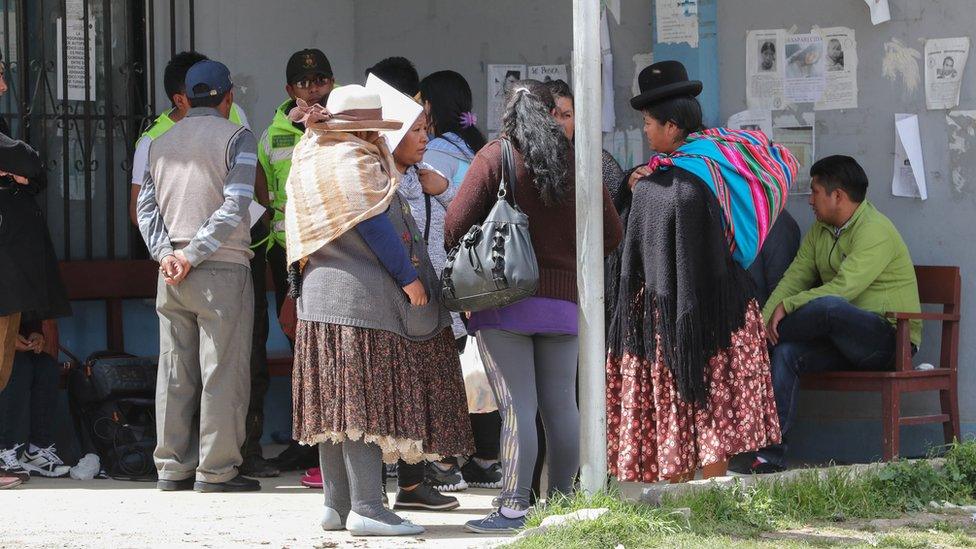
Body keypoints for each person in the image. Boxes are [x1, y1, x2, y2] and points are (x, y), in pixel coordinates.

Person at [285, 85, 472, 536]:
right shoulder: (354, 160)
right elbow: (374, 224)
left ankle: (337, 503)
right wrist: (409, 279)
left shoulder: (310, 156)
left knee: (333, 404)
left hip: (317, 300)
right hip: (359, 303)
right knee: (360, 406)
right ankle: (368, 507)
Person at [445, 79, 623, 533]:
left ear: (508, 115)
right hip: (565, 305)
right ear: (550, 113)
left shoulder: (497, 156)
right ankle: (561, 508)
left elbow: (454, 224)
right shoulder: (578, 162)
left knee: (517, 406)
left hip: (504, 302)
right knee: (562, 406)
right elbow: (612, 235)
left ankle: (512, 509)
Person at [606, 61, 794, 485]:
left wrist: (638, 193)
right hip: (728, 305)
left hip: (681, 312)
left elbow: (643, 255)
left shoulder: (667, 183)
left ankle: (679, 493)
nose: (646, 133)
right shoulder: (730, 157)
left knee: (683, 401)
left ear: (673, 126)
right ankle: (711, 493)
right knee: (715, 408)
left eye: (649, 124)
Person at [747, 155, 922, 473]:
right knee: (786, 352)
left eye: (814, 192)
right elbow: (794, 278)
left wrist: (789, 307)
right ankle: (769, 457)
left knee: (830, 307)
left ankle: (756, 346)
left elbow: (843, 289)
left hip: (888, 341)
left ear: (837, 195)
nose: (809, 200)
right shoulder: (820, 231)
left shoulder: (875, 230)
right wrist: (761, 324)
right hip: (841, 340)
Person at [137, 59, 259, 493]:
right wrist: (194, 253)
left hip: (170, 272)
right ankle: (217, 470)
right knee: (222, 371)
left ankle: (171, 467)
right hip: (220, 266)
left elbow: (145, 208)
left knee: (173, 371)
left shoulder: (160, 142)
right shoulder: (238, 136)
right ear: (227, 97)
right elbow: (237, 202)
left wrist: (166, 254)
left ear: (186, 98)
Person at [365, 57, 467, 506]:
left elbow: (462, 219)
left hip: (428, 302)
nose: (426, 138)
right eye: (417, 132)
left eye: (426, 129)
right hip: (396, 301)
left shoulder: (427, 178)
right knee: (394, 397)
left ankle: (412, 482)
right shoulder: (381, 181)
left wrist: (442, 189)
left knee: (421, 396)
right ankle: (386, 487)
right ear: (391, 138)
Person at [418, 69, 503, 491]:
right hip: (479, 275)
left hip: (444, 275)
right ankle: (487, 458)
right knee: (478, 367)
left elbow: (435, 225)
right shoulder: (478, 147)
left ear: (430, 108)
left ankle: (447, 462)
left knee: (446, 372)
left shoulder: (432, 153)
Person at [257, 48, 337, 476]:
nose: (314, 88)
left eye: (321, 79)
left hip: (331, 251)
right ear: (289, 90)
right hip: (285, 255)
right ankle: (305, 439)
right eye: (304, 83)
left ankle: (328, 441)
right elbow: (262, 200)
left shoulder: (346, 124)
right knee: (298, 348)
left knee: (330, 350)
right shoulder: (272, 136)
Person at [0, 54, 72, 481]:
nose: (5, 87)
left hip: (15, 271)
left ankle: (23, 449)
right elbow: (29, 162)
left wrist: (19, 173)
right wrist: (19, 170)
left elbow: (37, 177)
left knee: (17, 355)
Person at [128, 51, 250, 227]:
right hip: (181, 243)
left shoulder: (233, 111)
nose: (210, 98)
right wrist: (165, 248)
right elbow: (138, 209)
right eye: (199, 92)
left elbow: (253, 168)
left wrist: (264, 213)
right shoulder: (152, 140)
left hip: (239, 239)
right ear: (179, 100)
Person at [748, 211, 802, 307]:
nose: (811, 201)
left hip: (761, 314)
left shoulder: (779, 224)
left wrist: (764, 319)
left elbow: (781, 291)